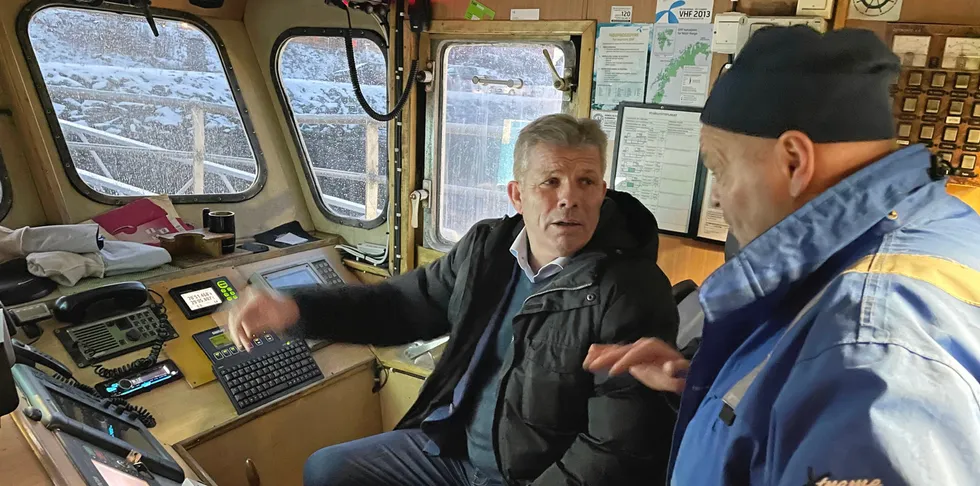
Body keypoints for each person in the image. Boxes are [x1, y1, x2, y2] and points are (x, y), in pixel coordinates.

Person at [585, 26, 980, 485]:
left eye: (719, 168)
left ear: (794, 161)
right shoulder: (936, 228)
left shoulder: (867, 343)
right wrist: (712, 386)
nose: (716, 199)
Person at [226, 114, 680, 485]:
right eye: (550, 182)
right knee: (328, 470)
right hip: (450, 447)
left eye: (585, 182)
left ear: (603, 191)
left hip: (528, 477)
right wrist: (297, 309)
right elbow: (398, 306)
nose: (569, 199)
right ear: (518, 195)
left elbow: (616, 449)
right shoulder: (487, 250)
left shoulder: (630, 290)